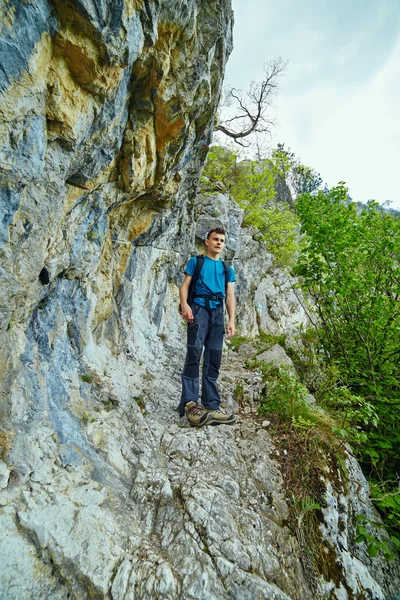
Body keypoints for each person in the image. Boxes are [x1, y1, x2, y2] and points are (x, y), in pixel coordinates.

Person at [179, 227, 236, 427]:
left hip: (217, 313)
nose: (219, 243)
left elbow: (230, 296)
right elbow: (185, 285)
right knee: (194, 353)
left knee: (214, 357)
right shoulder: (197, 262)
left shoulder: (227, 269)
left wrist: (232, 320)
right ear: (207, 241)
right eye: (215, 239)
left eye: (222, 240)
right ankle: (190, 404)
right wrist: (185, 305)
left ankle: (211, 406)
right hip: (199, 308)